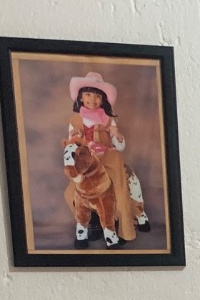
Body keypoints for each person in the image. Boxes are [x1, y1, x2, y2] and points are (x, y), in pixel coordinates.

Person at [63, 71, 149, 247]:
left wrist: (117, 135)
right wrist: (75, 139)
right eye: (88, 95)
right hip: (88, 162)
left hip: (108, 159)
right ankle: (92, 223)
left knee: (119, 191)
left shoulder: (109, 120)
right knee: (71, 193)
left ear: (103, 100)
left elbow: (120, 146)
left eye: (97, 96)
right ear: (80, 97)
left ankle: (125, 228)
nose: (92, 99)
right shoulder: (75, 120)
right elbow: (71, 147)